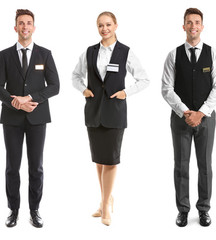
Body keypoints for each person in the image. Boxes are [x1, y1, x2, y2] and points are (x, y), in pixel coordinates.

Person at [71, 11, 150, 226]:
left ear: (116, 26)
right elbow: (75, 76)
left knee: (111, 159)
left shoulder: (126, 52)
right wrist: (83, 90)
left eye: (108, 24)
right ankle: (106, 199)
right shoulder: (89, 52)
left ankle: (105, 204)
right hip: (93, 113)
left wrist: (126, 92)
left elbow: (144, 79)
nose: (104, 29)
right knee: (99, 159)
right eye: (100, 25)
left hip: (115, 113)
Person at [0, 9, 59, 228]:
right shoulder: (5, 55)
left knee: (36, 167)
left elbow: (55, 86)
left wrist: (30, 98)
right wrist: (16, 101)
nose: (25, 27)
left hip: (37, 118)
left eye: (29, 23)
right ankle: (13, 210)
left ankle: (35, 210)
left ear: (34, 27)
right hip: (12, 118)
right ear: (15, 27)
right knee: (12, 166)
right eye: (21, 23)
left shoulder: (45, 54)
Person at [161, 8, 216, 227]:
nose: (193, 26)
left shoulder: (212, 53)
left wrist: (201, 112)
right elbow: (166, 88)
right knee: (181, 165)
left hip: (206, 118)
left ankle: (204, 209)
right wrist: (185, 111)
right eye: (189, 22)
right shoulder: (173, 55)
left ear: (202, 26)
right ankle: (183, 210)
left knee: (205, 165)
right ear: (184, 26)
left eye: (197, 22)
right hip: (180, 119)